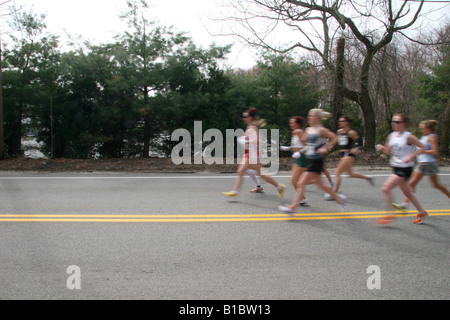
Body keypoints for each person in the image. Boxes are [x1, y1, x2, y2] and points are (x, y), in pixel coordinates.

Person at [278, 108, 346, 214]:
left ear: (318, 118)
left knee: (300, 183)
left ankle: (292, 208)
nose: (309, 118)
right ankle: (339, 198)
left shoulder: (321, 130)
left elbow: (335, 138)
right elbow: (304, 143)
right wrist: (299, 135)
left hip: (317, 161)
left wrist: (327, 148)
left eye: (312, 116)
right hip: (310, 159)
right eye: (309, 116)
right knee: (321, 185)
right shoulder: (308, 129)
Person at [376, 114, 428, 225]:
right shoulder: (392, 136)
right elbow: (388, 151)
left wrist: (411, 156)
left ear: (404, 123)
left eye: (398, 122)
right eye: (393, 122)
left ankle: (389, 215)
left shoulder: (409, 137)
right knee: (408, 193)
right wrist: (382, 148)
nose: (395, 124)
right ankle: (422, 212)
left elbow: (423, 147)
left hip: (405, 169)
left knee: (386, 188)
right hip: (396, 167)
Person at [223, 108, 286, 199]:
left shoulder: (253, 127)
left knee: (260, 174)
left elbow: (258, 140)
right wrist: (245, 140)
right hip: (249, 153)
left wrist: (246, 141)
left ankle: (279, 187)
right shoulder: (250, 127)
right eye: (243, 116)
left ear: (251, 117)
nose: (244, 118)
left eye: (245, 116)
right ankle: (235, 191)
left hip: (253, 154)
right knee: (242, 171)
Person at [393, 120, 450, 217]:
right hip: (422, 164)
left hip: (429, 164)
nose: (421, 130)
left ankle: (405, 205)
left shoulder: (432, 137)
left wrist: (423, 151)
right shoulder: (424, 137)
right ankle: (405, 204)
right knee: (412, 184)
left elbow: (435, 152)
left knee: (436, 185)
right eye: (421, 128)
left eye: (423, 128)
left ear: (429, 129)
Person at [331, 116, 374, 197]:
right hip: (342, 154)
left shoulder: (351, 133)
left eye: (342, 121)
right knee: (351, 174)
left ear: (347, 122)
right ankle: (368, 178)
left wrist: (356, 148)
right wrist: (331, 145)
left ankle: (334, 193)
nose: (340, 122)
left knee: (337, 173)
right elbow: (337, 140)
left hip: (349, 154)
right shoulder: (339, 131)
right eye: (339, 121)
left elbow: (360, 142)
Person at [280, 116, 309, 206]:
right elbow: (296, 145)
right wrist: (288, 148)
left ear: (297, 124)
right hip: (298, 157)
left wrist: (300, 152)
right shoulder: (294, 132)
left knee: (294, 180)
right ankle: (302, 198)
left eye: (292, 122)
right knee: (295, 180)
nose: (290, 124)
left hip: (303, 157)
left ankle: (303, 199)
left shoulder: (300, 132)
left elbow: (307, 146)